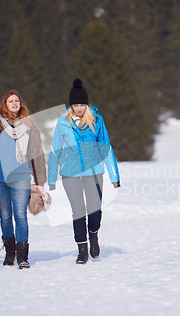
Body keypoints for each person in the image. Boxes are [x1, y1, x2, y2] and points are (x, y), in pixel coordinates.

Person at [0, 90, 46, 269]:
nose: (14, 103)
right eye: (10, 101)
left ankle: (22, 256)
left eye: (17, 101)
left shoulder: (30, 126)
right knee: (5, 216)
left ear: (21, 104)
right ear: (5, 104)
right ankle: (10, 252)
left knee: (20, 216)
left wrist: (40, 181)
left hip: (20, 177)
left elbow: (37, 155)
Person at [48, 78, 120, 264]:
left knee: (95, 210)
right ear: (71, 105)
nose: (79, 108)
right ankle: (82, 249)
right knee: (78, 211)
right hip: (70, 174)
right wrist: (51, 177)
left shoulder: (97, 120)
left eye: (82, 104)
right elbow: (55, 150)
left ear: (86, 105)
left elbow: (106, 147)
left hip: (94, 172)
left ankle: (93, 235)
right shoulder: (63, 123)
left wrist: (114, 175)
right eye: (75, 105)